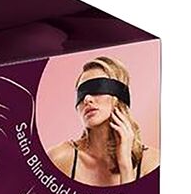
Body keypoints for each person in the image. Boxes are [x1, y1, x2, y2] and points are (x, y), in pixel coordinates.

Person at [48, 56, 159, 185]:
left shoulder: (152, 163)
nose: (87, 99)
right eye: (81, 93)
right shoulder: (60, 158)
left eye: (97, 88)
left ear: (119, 96)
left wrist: (125, 166)